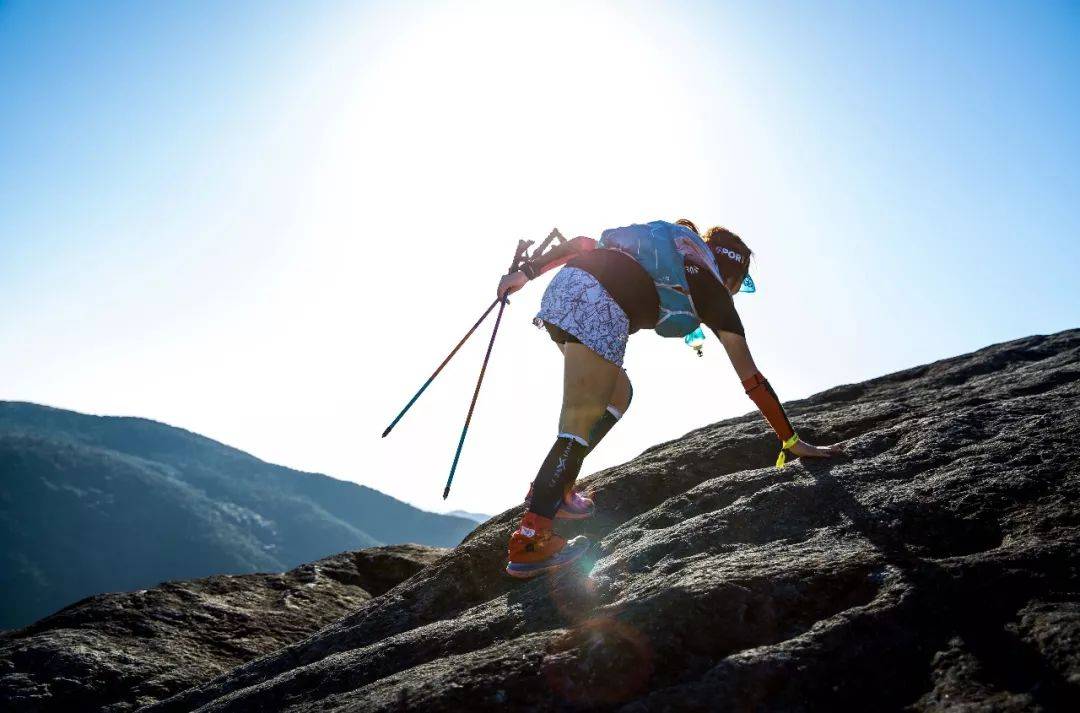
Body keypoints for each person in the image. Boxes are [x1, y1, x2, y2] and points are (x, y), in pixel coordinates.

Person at [497, 219, 842, 579]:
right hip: (599, 304)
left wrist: (526, 273)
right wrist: (791, 440)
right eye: (739, 284)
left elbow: (585, 243)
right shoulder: (711, 287)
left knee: (618, 395)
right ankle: (532, 539)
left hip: (564, 291)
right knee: (577, 422)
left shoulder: (672, 252)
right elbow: (752, 379)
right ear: (733, 274)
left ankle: (557, 487)